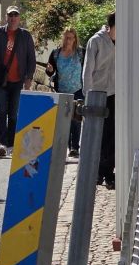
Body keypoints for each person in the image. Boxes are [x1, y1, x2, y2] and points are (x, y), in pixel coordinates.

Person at [0, 6, 36, 158]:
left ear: (19, 18)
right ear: (6, 17)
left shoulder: (25, 36)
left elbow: (31, 59)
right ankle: (2, 143)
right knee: (1, 112)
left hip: (17, 80)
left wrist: (29, 77)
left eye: (15, 15)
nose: (13, 17)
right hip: (0, 80)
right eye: (10, 15)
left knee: (13, 114)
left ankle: (12, 144)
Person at [82, 11, 116, 188]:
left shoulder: (122, 41)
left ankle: (108, 173)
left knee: (112, 136)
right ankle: (96, 173)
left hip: (115, 93)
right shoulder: (96, 41)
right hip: (97, 93)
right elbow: (88, 69)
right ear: (110, 26)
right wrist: (88, 94)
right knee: (98, 135)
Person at [46, 27, 85, 157]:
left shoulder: (81, 53)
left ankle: (75, 147)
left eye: (71, 38)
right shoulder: (56, 53)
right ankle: (67, 146)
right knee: (64, 119)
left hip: (78, 90)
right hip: (61, 90)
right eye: (66, 37)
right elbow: (49, 71)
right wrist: (50, 70)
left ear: (75, 39)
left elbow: (87, 69)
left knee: (76, 119)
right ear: (63, 38)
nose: (68, 40)